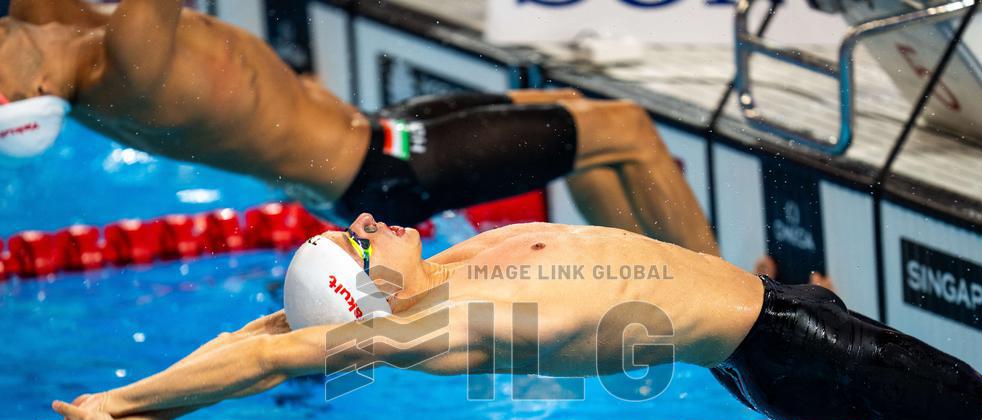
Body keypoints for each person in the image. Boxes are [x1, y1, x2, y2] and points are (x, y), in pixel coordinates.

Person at [7, 213, 982, 420]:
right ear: (369, 292)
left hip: (757, 335)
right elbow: (273, 361)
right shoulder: (458, 321)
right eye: (357, 242)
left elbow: (262, 336)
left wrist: (137, 404)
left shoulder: (439, 272)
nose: (366, 219)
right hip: (797, 350)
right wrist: (116, 415)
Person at [0, 0, 717, 253]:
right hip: (386, 170)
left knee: (595, 142)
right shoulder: (126, 59)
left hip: (379, 137)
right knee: (624, 128)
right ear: (34, 91)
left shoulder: (40, 21)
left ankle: (661, 298)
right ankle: (739, 325)